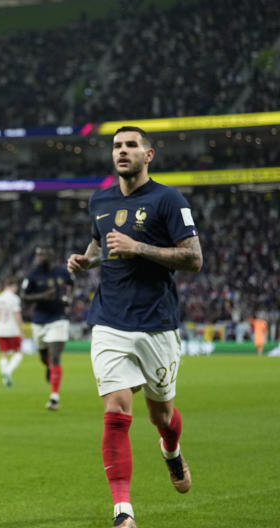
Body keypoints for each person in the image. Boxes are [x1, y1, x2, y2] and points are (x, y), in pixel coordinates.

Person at [67, 126, 203, 528]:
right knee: (115, 410)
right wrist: (86, 261)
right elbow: (99, 246)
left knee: (161, 415)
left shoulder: (168, 199)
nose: (121, 151)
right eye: (116, 146)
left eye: (130, 146)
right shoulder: (100, 199)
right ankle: (122, 511)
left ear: (149, 155)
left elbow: (194, 258)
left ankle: (171, 448)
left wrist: (138, 247)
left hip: (157, 323)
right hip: (110, 321)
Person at [21, 245, 74, 410]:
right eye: (37, 255)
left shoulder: (61, 272)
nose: (38, 258)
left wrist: (68, 298)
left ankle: (54, 398)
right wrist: (42, 296)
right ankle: (49, 366)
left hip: (58, 319)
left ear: (51, 256)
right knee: (44, 357)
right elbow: (24, 297)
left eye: (41, 255)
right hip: (39, 321)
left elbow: (71, 285)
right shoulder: (32, 275)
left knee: (56, 356)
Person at [0, 277, 23, 387]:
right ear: (12, 286)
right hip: (13, 330)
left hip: (0, 329)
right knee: (18, 353)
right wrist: (21, 329)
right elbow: (17, 315)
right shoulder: (15, 298)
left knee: (3, 354)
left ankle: (5, 380)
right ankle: (7, 372)